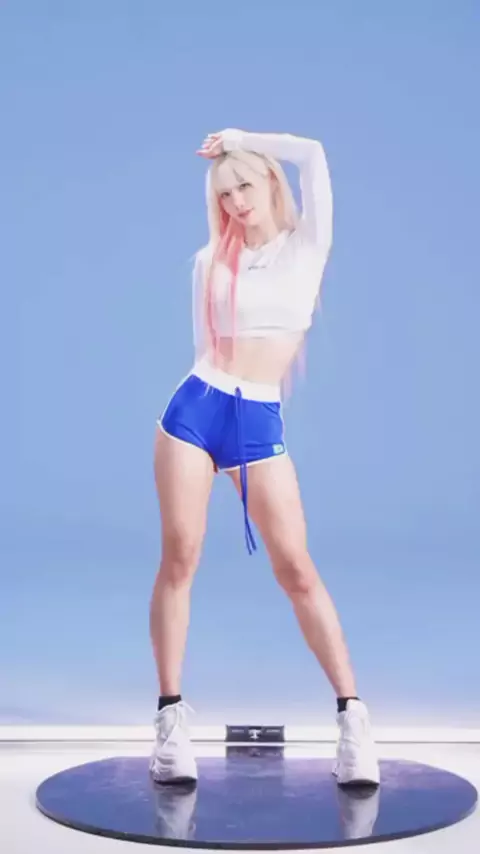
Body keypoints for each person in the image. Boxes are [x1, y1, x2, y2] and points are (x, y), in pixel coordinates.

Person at [148, 128, 380, 788]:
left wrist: (241, 140)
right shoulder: (210, 261)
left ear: (271, 181)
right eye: (224, 195)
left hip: (256, 419)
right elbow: (205, 350)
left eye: (245, 185)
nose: (236, 202)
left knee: (296, 568)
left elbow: (314, 154)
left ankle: (353, 720)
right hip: (194, 411)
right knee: (181, 556)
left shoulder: (307, 246)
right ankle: (169, 722)